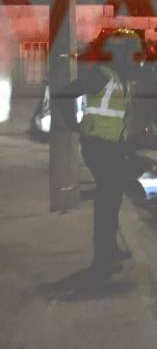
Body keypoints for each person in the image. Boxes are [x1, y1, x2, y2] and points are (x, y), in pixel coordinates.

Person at [54, 28, 145, 279]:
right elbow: (64, 94)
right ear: (119, 54)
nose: (135, 59)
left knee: (112, 199)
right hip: (98, 146)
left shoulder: (120, 77)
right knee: (107, 201)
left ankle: (109, 250)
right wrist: (73, 124)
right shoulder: (102, 75)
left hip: (111, 146)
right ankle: (101, 260)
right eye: (132, 54)